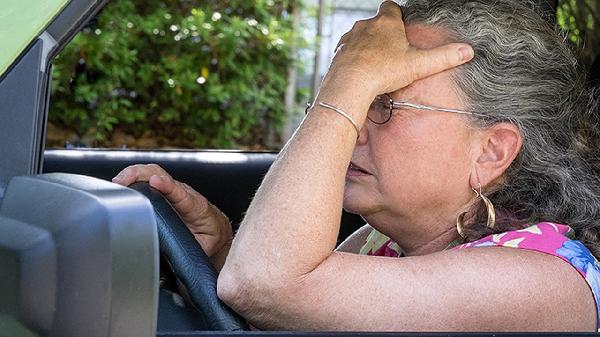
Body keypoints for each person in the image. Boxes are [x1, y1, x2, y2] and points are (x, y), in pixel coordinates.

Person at [113, 0, 600, 331]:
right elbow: (288, 310)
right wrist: (217, 259)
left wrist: (349, 80)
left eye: (384, 101)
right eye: (361, 98)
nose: (355, 126)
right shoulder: (382, 242)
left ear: (491, 151)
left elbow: (266, 285)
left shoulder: (539, 282)